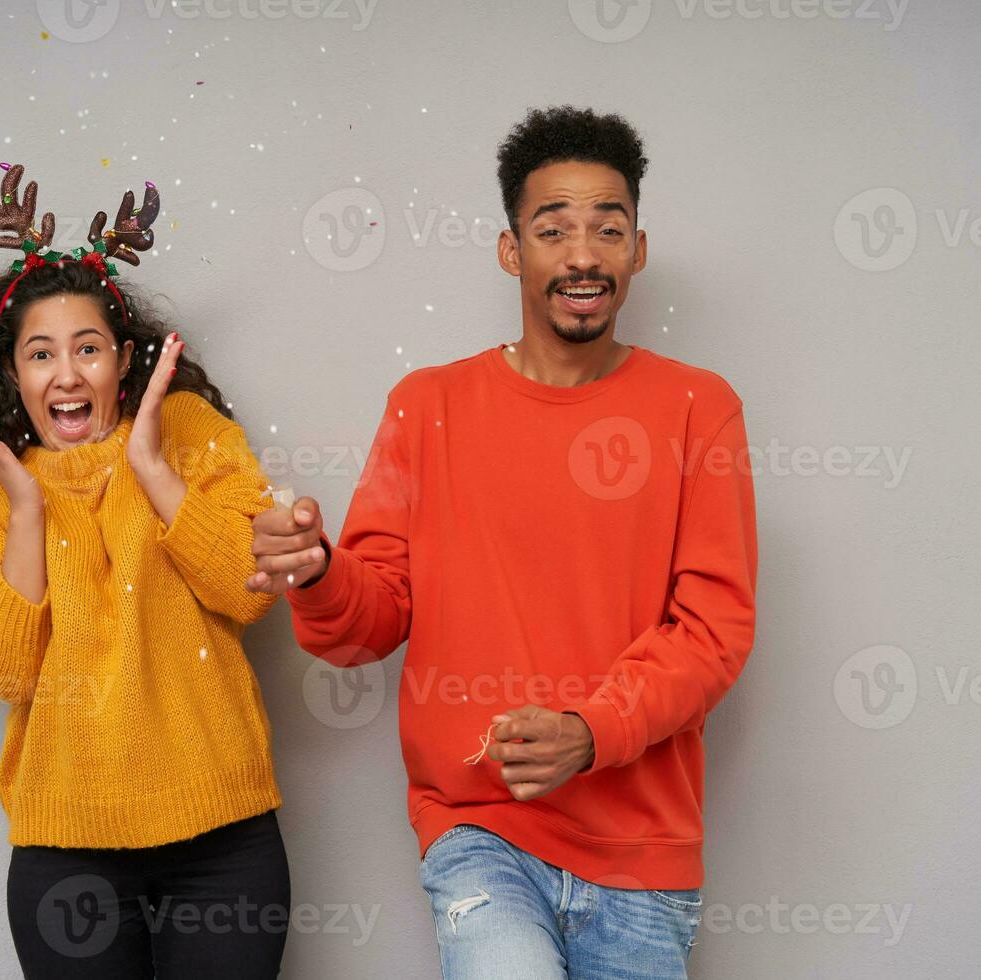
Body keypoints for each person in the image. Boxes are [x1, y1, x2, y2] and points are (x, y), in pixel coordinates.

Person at [247, 106, 759, 979]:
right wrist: (319, 571)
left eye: (608, 227)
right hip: (479, 826)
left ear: (637, 250)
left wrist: (589, 731)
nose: (583, 254)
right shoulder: (430, 405)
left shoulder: (698, 408)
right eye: (553, 228)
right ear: (511, 250)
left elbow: (714, 630)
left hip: (643, 851)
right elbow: (367, 621)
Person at [0, 164, 291, 978]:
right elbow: (5, 668)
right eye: (41, 354)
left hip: (224, 841)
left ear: (124, 359)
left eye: (87, 349)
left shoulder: (183, 430)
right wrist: (29, 513)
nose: (66, 373)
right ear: (14, 375)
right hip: (67, 855)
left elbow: (245, 593)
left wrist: (150, 465)